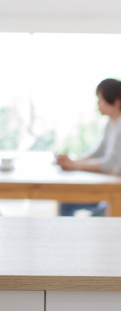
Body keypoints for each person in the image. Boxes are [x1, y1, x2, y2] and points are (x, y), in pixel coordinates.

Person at [56, 78, 121, 216]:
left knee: (94, 219)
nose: (98, 103)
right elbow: (98, 153)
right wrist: (71, 161)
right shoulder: (111, 123)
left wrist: (74, 165)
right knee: (66, 202)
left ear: (116, 101)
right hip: (109, 186)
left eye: (100, 99)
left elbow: (110, 164)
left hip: (116, 193)